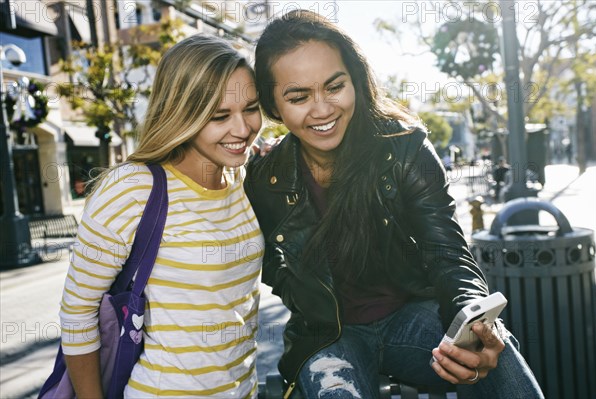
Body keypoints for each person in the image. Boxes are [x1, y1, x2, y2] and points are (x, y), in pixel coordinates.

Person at [245, 10, 543, 399]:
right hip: (329, 336)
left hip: (413, 318)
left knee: (494, 353)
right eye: (298, 96)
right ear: (272, 106)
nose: (321, 109)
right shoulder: (263, 179)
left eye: (334, 86)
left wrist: (474, 321)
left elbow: (448, 252)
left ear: (355, 80)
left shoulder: (404, 146)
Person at [59, 35, 264, 398]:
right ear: (183, 114)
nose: (243, 128)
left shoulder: (243, 179)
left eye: (251, 107)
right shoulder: (133, 188)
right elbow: (77, 313)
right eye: (220, 116)